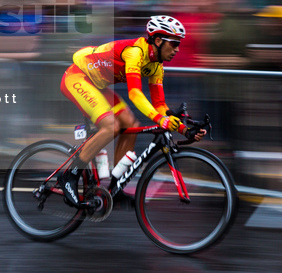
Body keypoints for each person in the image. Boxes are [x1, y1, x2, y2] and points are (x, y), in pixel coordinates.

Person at [58, 15, 206, 207]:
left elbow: (160, 105)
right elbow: (135, 94)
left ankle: (115, 187)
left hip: (98, 85)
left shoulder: (156, 66)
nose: (177, 49)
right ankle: (69, 176)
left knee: (130, 123)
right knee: (111, 126)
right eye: (174, 43)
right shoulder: (135, 52)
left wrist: (185, 130)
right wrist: (159, 119)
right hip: (78, 77)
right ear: (158, 41)